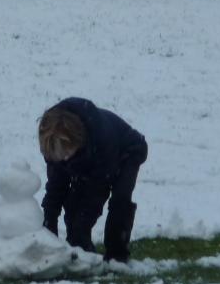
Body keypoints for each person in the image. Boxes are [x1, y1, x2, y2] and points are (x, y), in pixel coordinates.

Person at [38, 97, 147, 263]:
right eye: (59, 157)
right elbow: (55, 188)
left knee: (120, 199)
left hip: (127, 151)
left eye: (66, 154)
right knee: (73, 201)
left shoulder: (100, 139)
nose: (63, 159)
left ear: (77, 141)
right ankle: (79, 247)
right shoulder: (54, 145)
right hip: (88, 156)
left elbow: (96, 193)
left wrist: (80, 228)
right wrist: (48, 229)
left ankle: (117, 254)